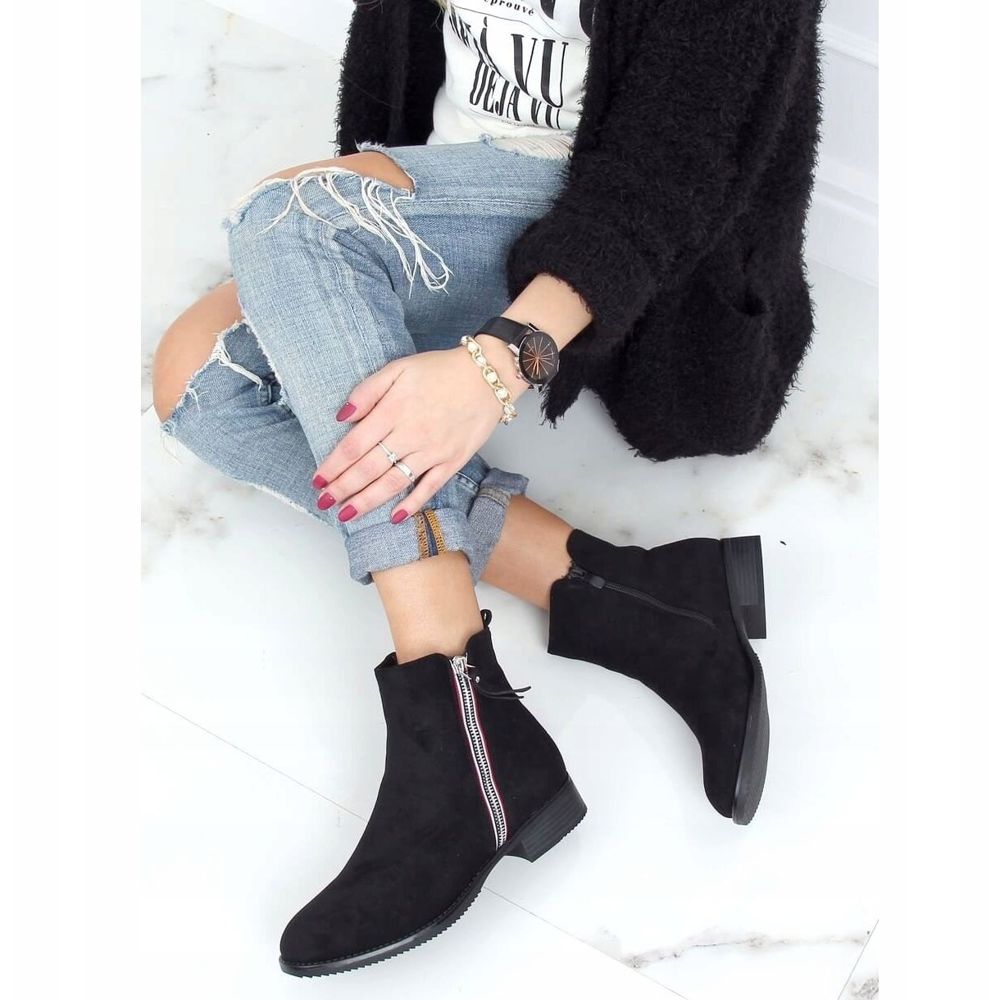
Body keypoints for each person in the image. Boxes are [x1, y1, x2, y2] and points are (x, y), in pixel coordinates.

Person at [151, 0, 820, 977]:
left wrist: (496, 364)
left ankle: (456, 712)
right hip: (454, 185)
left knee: (294, 215)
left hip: (607, 224)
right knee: (201, 384)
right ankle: (629, 595)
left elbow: (673, 171)